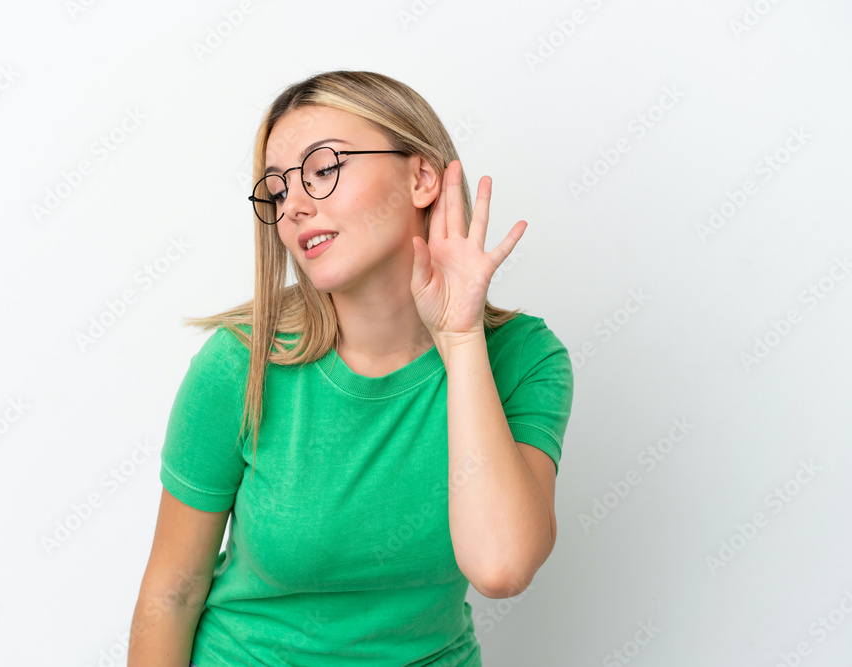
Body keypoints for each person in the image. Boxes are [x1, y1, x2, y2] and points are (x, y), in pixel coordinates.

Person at [128, 69, 574, 666]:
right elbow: (172, 591)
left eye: (323, 170)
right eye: (279, 191)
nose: (296, 207)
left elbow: (502, 566)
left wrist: (460, 337)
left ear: (419, 178)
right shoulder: (241, 362)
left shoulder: (524, 357)